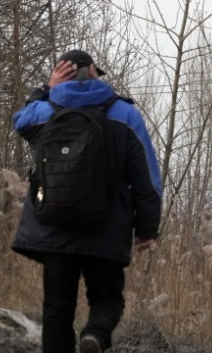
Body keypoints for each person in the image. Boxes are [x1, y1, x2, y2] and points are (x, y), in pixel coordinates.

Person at [12, 49, 163, 353]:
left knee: (57, 308)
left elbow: (20, 121)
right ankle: (94, 334)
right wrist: (146, 226)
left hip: (53, 226)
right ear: (94, 71)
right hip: (106, 226)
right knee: (108, 299)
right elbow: (145, 174)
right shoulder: (124, 114)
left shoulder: (44, 110)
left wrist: (46, 89)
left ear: (59, 74)